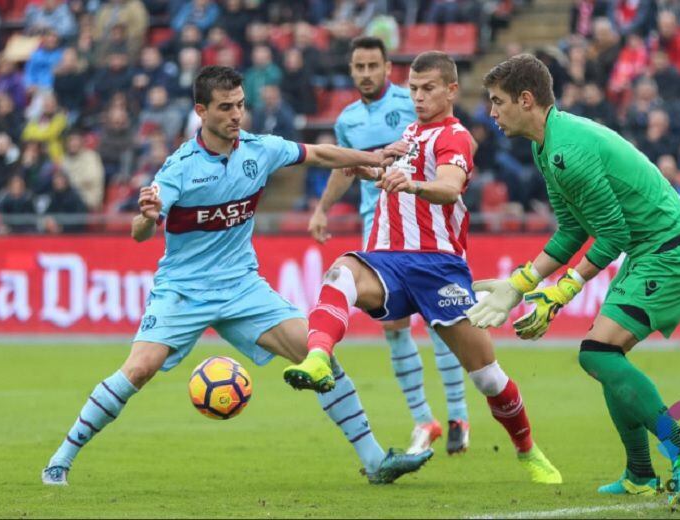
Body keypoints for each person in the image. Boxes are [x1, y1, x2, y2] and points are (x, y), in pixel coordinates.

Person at [41, 66, 432, 487]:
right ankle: (60, 460)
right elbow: (141, 232)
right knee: (138, 370)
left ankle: (375, 462)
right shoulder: (179, 169)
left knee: (318, 355)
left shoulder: (259, 150)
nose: (236, 115)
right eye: (226, 107)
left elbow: (318, 153)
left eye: (241, 105)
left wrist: (371, 158)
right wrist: (146, 217)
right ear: (201, 111)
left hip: (242, 286)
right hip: (183, 290)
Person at [285, 51, 562, 485]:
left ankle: (527, 449)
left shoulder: (454, 137)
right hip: (387, 260)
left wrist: (411, 183)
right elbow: (385, 170)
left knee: (489, 378)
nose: (418, 96)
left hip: (438, 268)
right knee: (340, 272)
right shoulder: (409, 135)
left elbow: (450, 189)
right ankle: (319, 358)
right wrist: (370, 165)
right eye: (413, 88)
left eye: (428, 88)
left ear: (452, 90)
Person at [470, 53, 680, 505]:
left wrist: (562, 291)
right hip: (653, 249)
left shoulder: (569, 151)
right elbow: (572, 231)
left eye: (497, 101)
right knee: (606, 356)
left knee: (597, 354)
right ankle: (640, 474)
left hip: (671, 250)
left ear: (526, 100)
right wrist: (519, 284)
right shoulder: (546, 145)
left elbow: (613, 236)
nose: (492, 112)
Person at [307, 37, 472, 456]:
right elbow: (347, 168)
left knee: (442, 325)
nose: (365, 74)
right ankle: (424, 418)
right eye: (357, 67)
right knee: (393, 327)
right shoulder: (347, 119)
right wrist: (323, 209)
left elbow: (448, 154)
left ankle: (457, 416)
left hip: (426, 223)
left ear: (387, 68)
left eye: (372, 66)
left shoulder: (416, 103)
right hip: (378, 225)